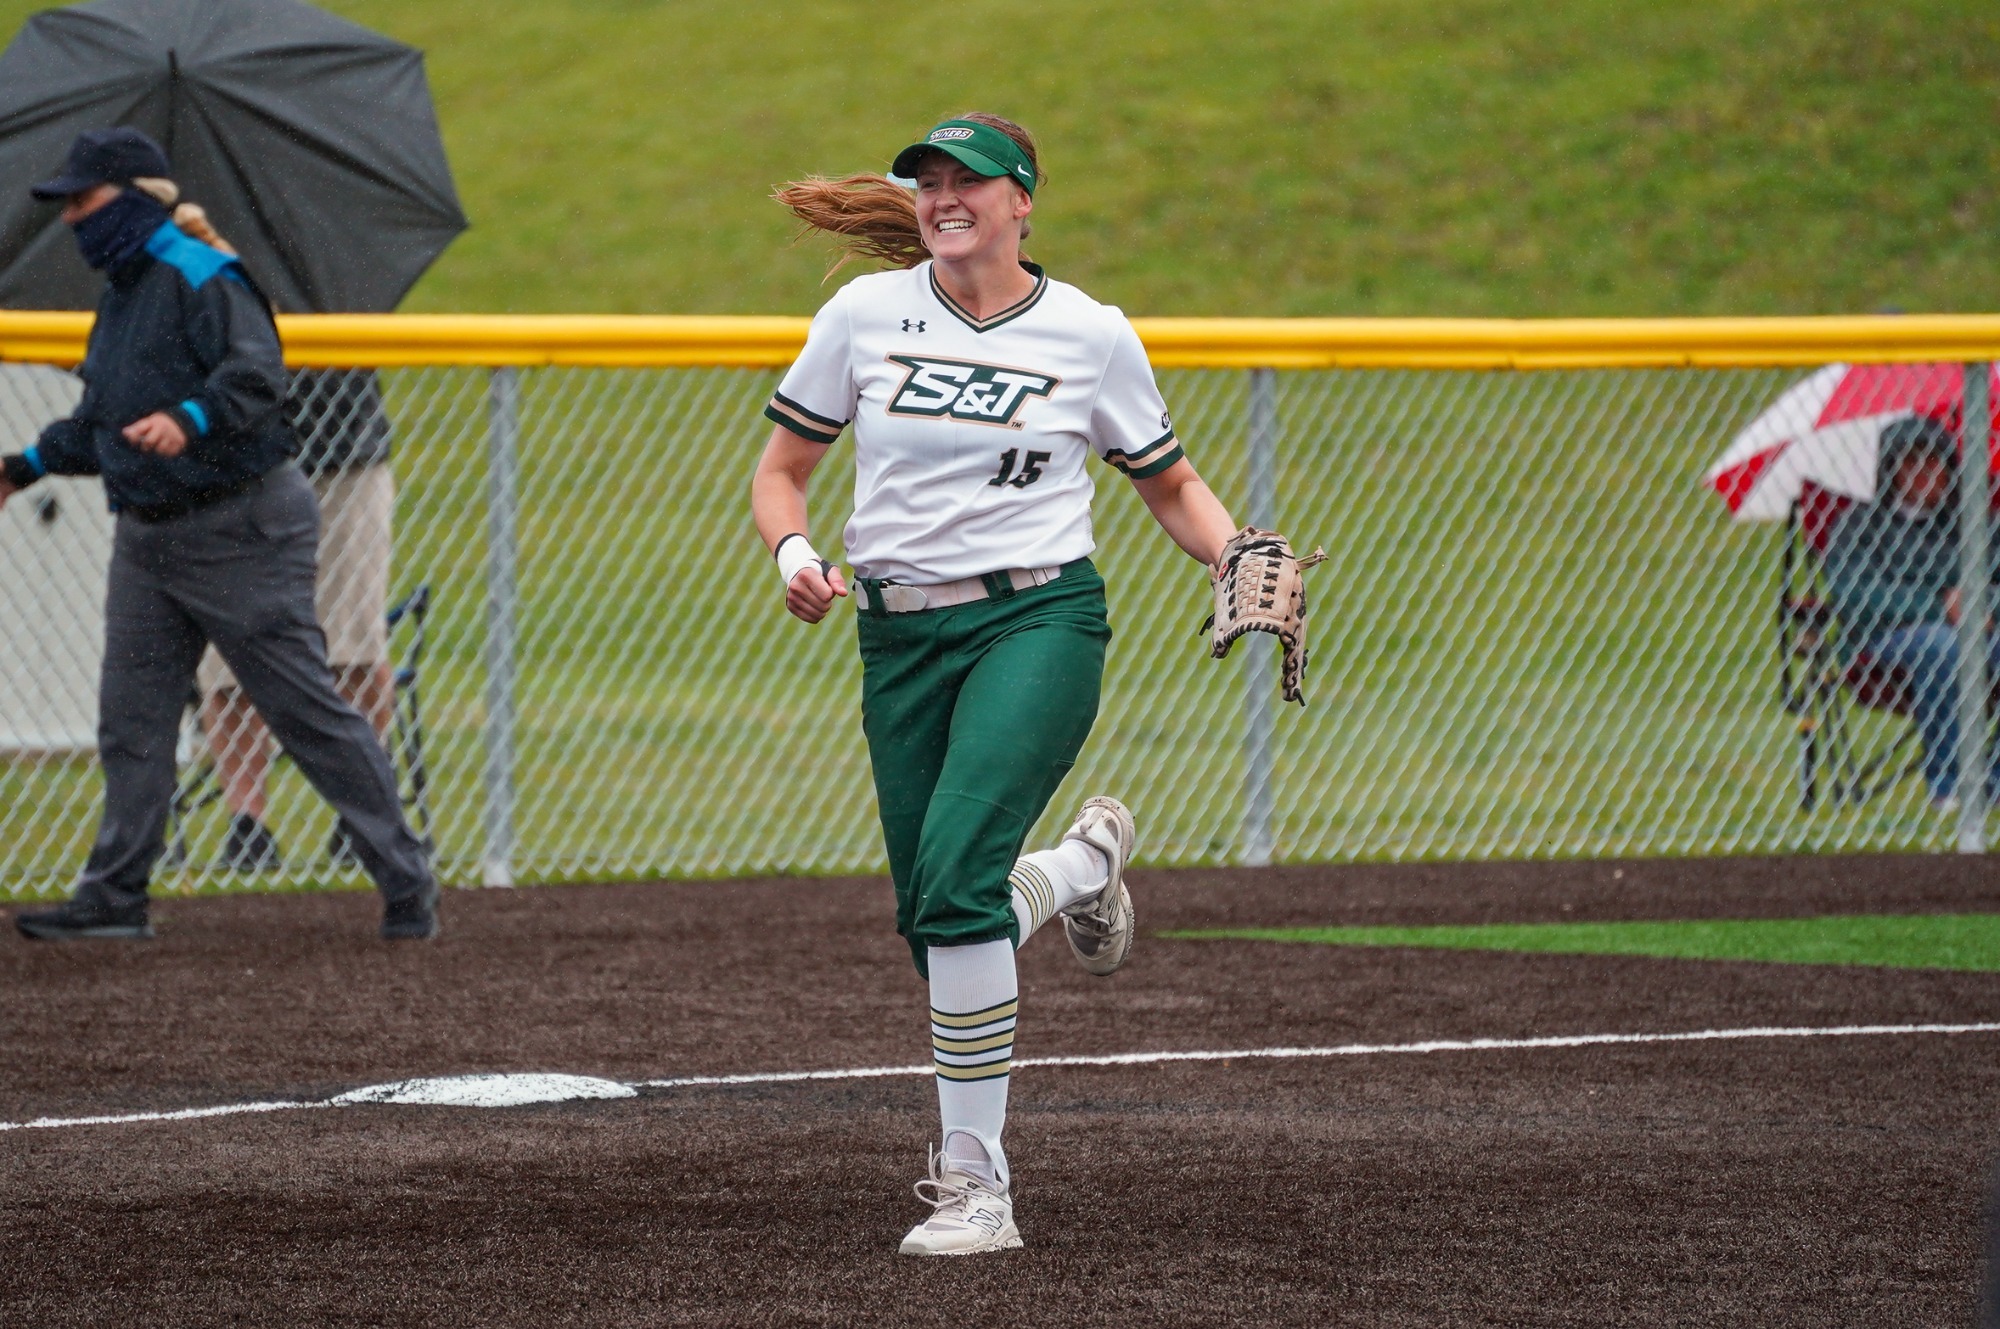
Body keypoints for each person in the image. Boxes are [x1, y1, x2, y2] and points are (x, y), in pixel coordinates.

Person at [750, 114, 1254, 1255]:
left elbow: (1169, 484)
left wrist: (1233, 554)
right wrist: (793, 556)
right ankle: (1080, 869)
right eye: (926, 180)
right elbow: (782, 471)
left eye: (966, 179)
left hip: (1038, 619)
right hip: (897, 637)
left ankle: (977, 1185)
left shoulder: (1088, 332)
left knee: (958, 886)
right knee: (934, 921)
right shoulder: (863, 316)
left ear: (1021, 200)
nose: (941, 196)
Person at [0, 127, 439, 941]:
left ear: (134, 200)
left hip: (243, 526)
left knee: (302, 708)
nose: (69, 219)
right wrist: (21, 467)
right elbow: (100, 424)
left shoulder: (205, 273)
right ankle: (115, 897)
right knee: (131, 720)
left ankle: (406, 877)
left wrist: (188, 418)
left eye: (82, 201)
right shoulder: (124, 291)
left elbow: (258, 375)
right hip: (149, 537)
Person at [198, 367, 399, 871]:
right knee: (227, 659)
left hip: (345, 454)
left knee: (354, 646)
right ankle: (248, 826)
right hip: (229, 463)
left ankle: (363, 814)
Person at [1824, 415, 1998, 807]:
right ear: (1891, 470)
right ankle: (1950, 785)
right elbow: (1856, 595)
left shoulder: (1975, 524)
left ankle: (1995, 780)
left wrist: (1979, 604)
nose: (1923, 471)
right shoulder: (1859, 524)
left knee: (1957, 643)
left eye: (1934, 460)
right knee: (1943, 645)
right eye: (1911, 461)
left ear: (1950, 468)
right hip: (1881, 641)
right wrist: (1940, 606)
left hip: (1977, 634)